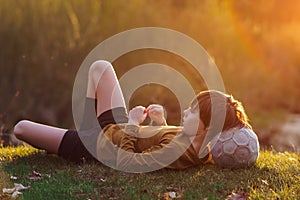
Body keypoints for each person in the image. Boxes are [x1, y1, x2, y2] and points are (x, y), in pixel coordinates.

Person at [13, 60, 253, 172]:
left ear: (205, 127)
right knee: (100, 67)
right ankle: (87, 127)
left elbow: (126, 163)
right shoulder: (195, 143)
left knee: (21, 128)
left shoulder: (177, 151)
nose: (186, 111)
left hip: (97, 147)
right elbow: (159, 141)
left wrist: (133, 124)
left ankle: (81, 136)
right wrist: (159, 123)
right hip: (114, 129)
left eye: (193, 111)